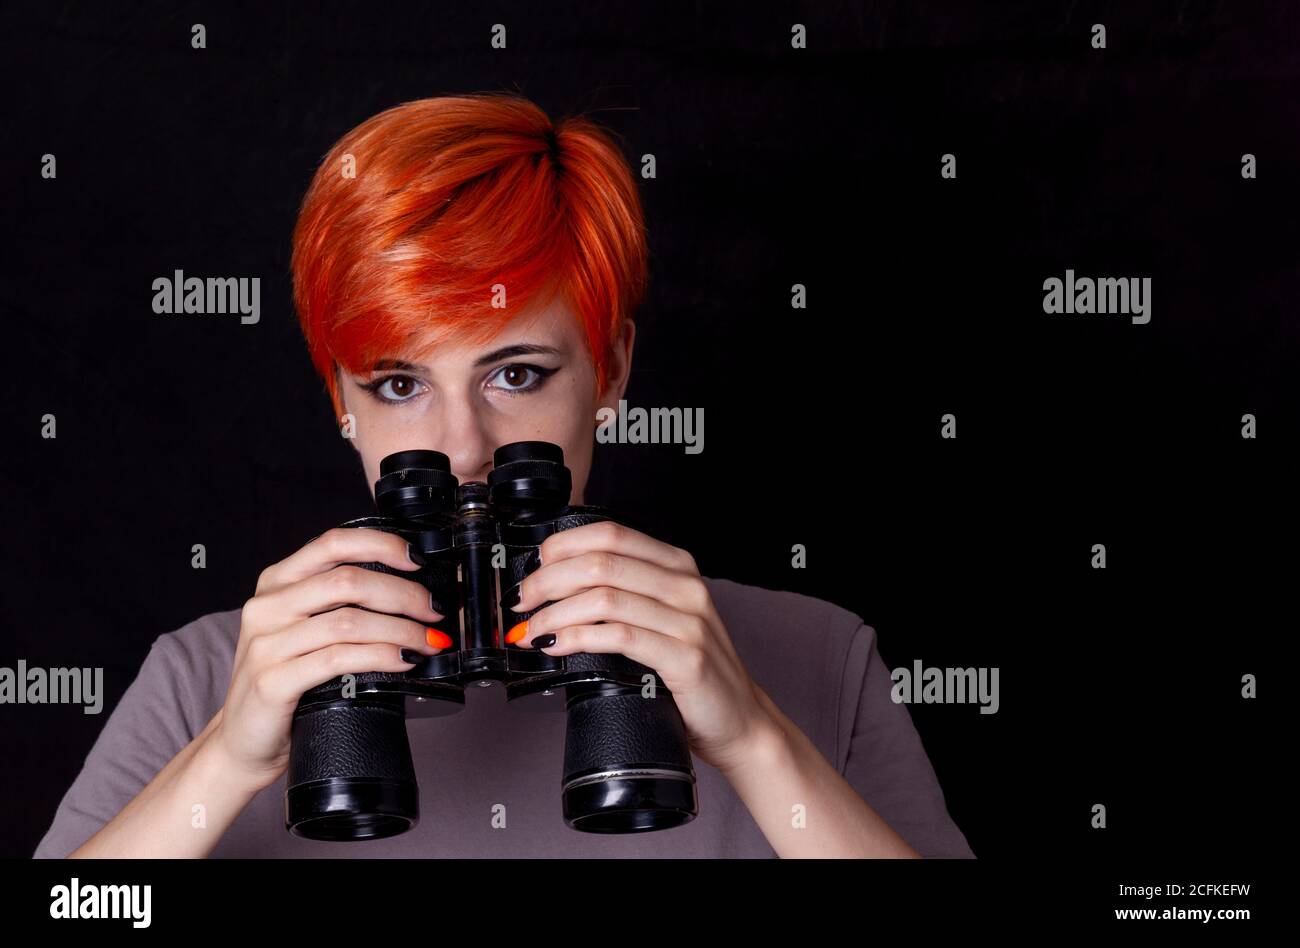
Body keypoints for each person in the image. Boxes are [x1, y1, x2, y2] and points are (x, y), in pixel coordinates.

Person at [34, 92, 974, 859]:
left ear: (611, 368)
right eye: (399, 384)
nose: (465, 447)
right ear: (341, 403)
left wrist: (754, 739)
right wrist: (225, 759)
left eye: (516, 375)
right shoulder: (209, 676)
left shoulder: (812, 658)